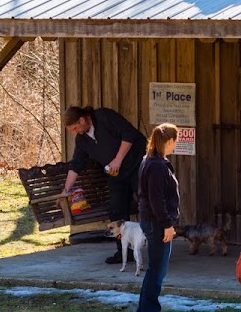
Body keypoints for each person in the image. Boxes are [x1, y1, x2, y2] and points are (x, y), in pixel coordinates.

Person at [61, 105, 147, 264]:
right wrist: (66, 190)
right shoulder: (82, 139)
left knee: (147, 204)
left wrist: (118, 159)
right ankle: (123, 251)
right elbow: (76, 164)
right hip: (116, 173)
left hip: (136, 164)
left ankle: (157, 247)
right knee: (116, 212)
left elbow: (129, 134)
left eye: (75, 127)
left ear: (82, 119)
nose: (75, 131)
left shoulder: (104, 117)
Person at [137, 123, 180, 312]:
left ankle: (147, 307)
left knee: (155, 269)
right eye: (175, 142)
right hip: (156, 223)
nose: (175, 146)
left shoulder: (150, 160)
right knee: (156, 270)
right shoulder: (156, 165)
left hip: (153, 221)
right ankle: (148, 309)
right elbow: (156, 199)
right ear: (169, 141)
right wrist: (167, 224)